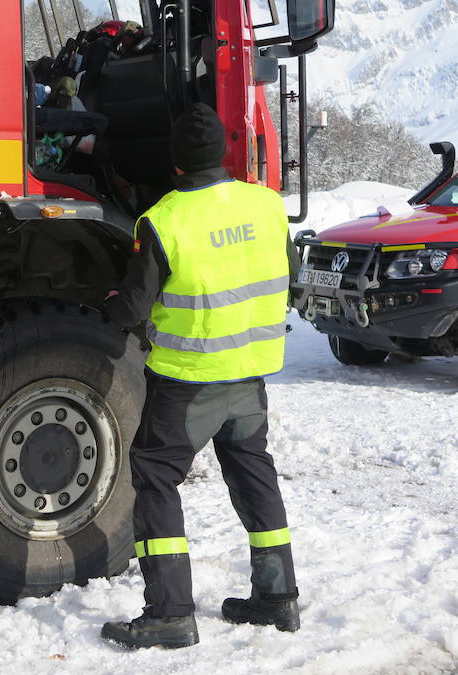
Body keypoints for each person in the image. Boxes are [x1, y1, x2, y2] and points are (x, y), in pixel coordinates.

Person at [100, 103, 302, 650]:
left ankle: (170, 613)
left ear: (175, 162)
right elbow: (292, 272)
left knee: (155, 476)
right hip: (250, 377)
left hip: (188, 381)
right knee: (254, 474)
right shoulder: (266, 205)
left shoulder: (163, 220)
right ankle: (277, 598)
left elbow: (132, 309)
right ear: (224, 153)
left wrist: (108, 302)